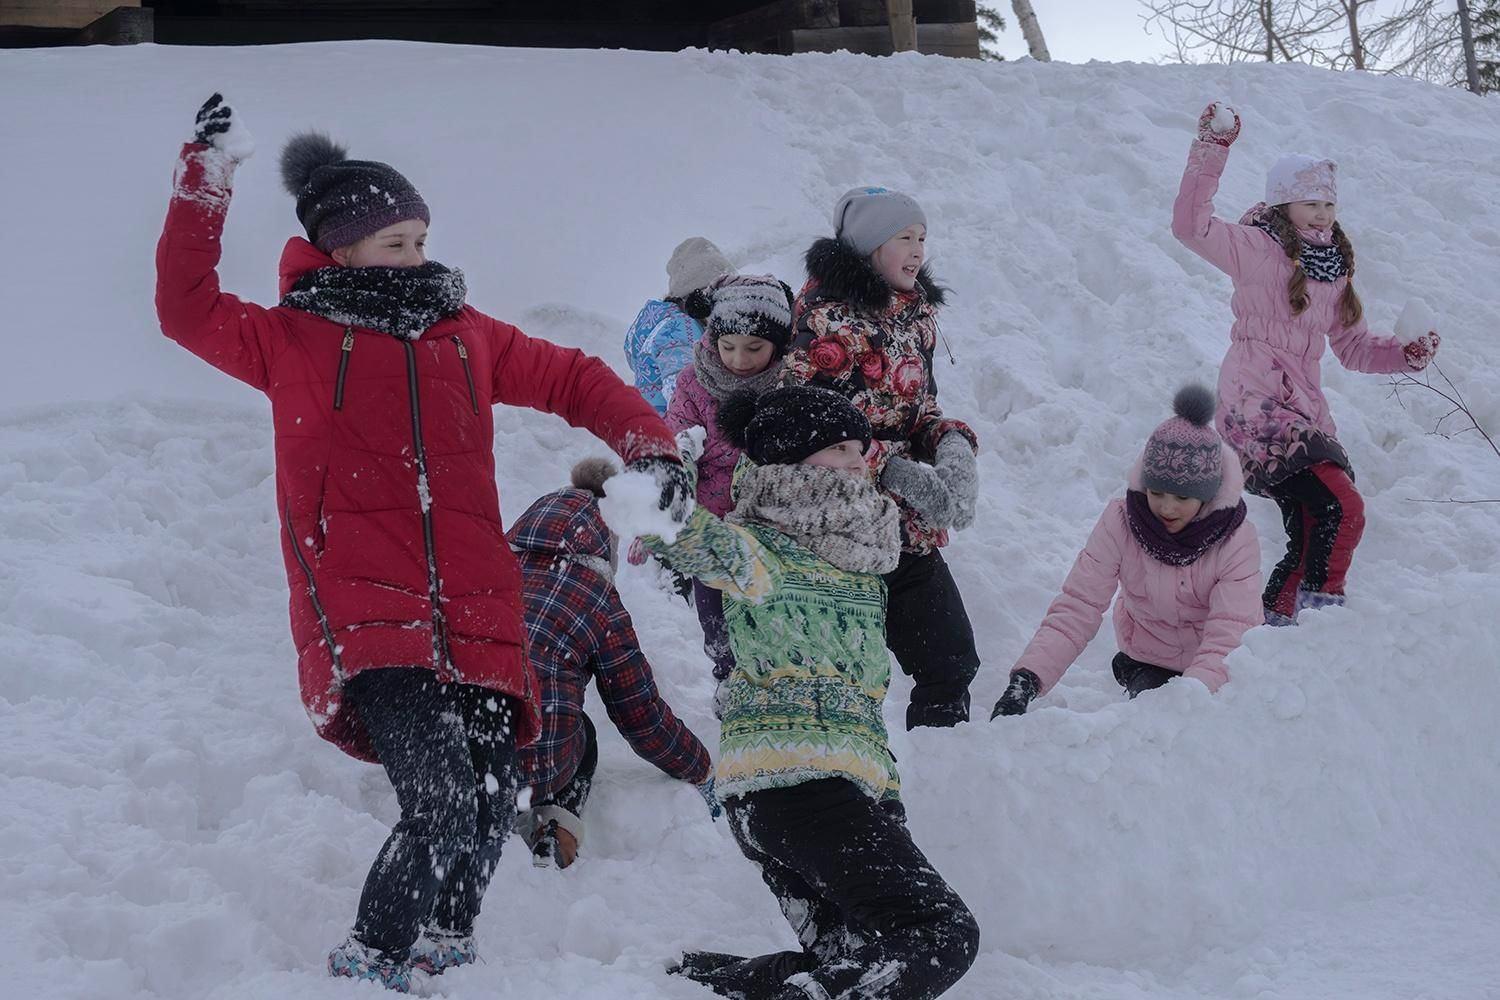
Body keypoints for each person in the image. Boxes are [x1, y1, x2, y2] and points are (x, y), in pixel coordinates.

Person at [155, 94, 691, 991]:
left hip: (479, 602)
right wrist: (204, 182)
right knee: (443, 799)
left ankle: (448, 948)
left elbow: (575, 377)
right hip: (365, 606)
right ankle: (367, 959)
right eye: (394, 242)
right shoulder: (287, 338)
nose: (416, 255)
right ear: (340, 249)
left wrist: (649, 441)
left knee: (490, 802)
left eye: (420, 238)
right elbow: (184, 306)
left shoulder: (466, 337)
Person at [647, 386, 980, 1000]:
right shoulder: (759, 549)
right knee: (943, 934)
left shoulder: (867, 560)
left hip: (815, 793)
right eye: (840, 449)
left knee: (862, 957)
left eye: (860, 448)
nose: (859, 461)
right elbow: (698, 542)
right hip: (801, 784)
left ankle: (709, 981)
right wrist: (655, 500)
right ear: (789, 461)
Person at [1172, 102, 1441, 625]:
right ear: (1282, 202)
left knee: (1317, 521)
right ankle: (1321, 621)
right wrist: (1211, 151)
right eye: (1308, 201)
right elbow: (1190, 226)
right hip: (1256, 401)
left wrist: (1404, 355)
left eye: (1327, 203)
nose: (1320, 213)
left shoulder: (1332, 270)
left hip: (1302, 408)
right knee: (1343, 510)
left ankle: (1278, 627)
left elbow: (1354, 346)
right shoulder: (1255, 246)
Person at [782, 186, 981, 729]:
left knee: (950, 657)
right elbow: (801, 424)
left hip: (904, 528)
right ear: (871, 247)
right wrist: (891, 469)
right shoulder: (826, 322)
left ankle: (945, 777)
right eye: (904, 238)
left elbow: (919, 406)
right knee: (838, 682)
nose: (918, 250)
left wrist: (952, 445)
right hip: (838, 535)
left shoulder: (913, 316)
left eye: (922, 238)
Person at [992, 386, 1262, 717]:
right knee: (1150, 723)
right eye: (1157, 491)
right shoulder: (1121, 523)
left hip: (1213, 667)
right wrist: (1028, 678)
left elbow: (1230, 634)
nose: (1166, 507)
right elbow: (1079, 605)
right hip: (1146, 658)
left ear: (1205, 497)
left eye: (1182, 498)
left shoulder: (1234, 540)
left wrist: (1189, 700)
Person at [507, 458, 715, 876]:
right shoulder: (598, 600)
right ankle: (556, 830)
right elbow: (639, 715)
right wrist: (700, 767)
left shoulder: (485, 572)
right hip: (531, 762)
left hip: (447, 748)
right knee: (578, 731)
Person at [664, 273, 795, 691]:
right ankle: (728, 677)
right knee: (716, 610)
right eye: (728, 346)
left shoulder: (791, 383)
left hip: (773, 526)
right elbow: (676, 438)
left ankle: (778, 679)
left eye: (755, 348)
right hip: (715, 526)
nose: (739, 359)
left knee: (772, 608)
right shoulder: (694, 382)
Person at [623, 236, 734, 416]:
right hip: (673, 433)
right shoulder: (679, 330)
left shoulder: (668, 324)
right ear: (697, 299)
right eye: (720, 297)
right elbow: (682, 391)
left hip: (652, 426)